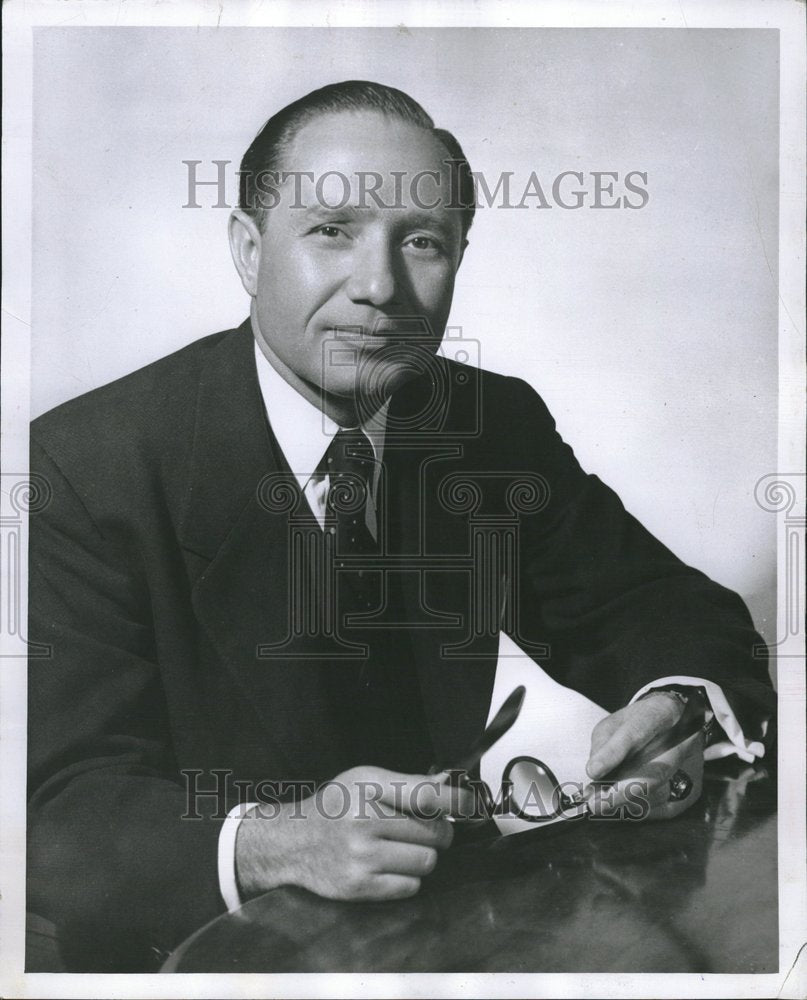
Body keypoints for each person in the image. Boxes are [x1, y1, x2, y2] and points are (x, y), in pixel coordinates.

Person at [26, 80, 775, 972]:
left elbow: (658, 610)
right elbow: (50, 809)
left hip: (443, 942)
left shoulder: (488, 425)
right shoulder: (82, 463)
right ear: (246, 249)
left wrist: (673, 703)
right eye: (331, 231)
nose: (379, 287)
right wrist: (275, 842)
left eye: (420, 242)